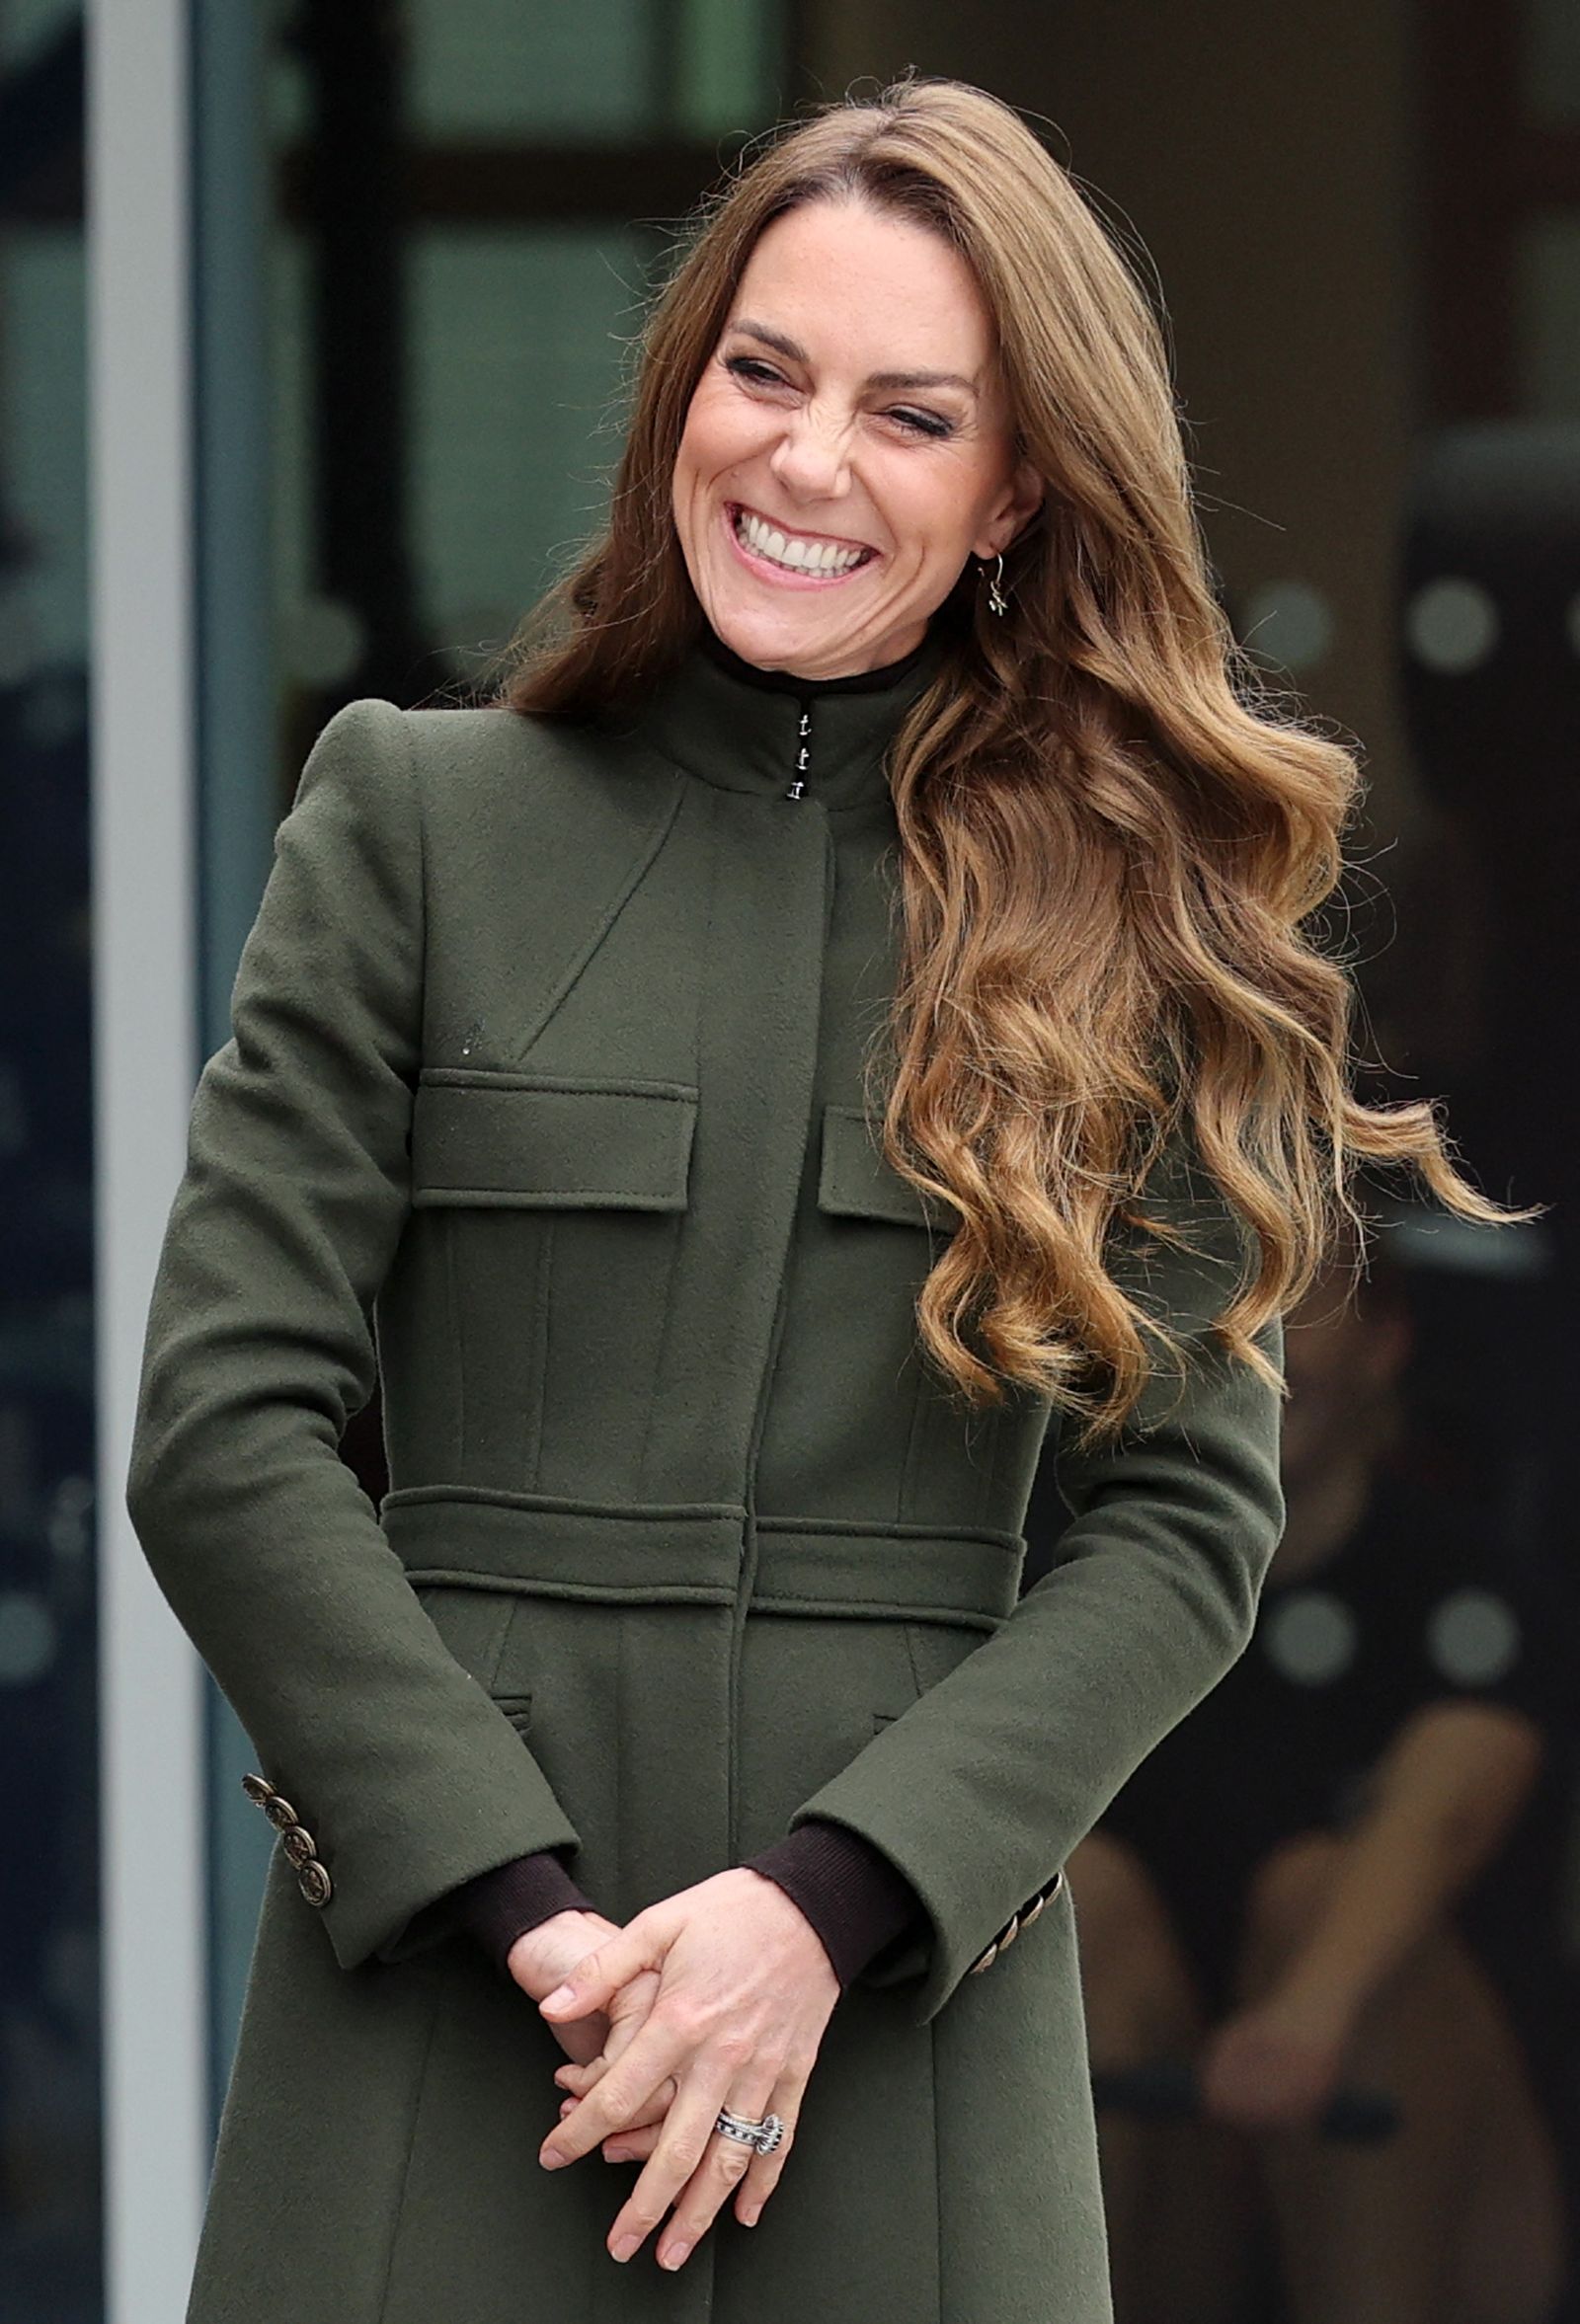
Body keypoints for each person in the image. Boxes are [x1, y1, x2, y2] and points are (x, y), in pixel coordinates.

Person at [123, 72, 1524, 2324]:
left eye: (908, 412)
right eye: (760, 373)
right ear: (680, 392)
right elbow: (224, 1434)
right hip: (441, 2043)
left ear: (1011, 493)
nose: (800, 460)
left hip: (898, 2070)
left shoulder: (1132, 919)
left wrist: (815, 1913)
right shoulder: (409, 826)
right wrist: (525, 1918)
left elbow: (1178, 1524)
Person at [1074, 1229, 1572, 2324]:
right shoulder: (1095, 1579)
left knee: (1319, 1895)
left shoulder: (1462, 1583)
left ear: (1385, 1343)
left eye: (1294, 1314)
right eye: (1222, 1314)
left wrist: (1305, 2016)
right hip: (1172, 2147)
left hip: (1402, 2132)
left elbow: (1446, 1807)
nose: (1257, 1351)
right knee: (1084, 1895)